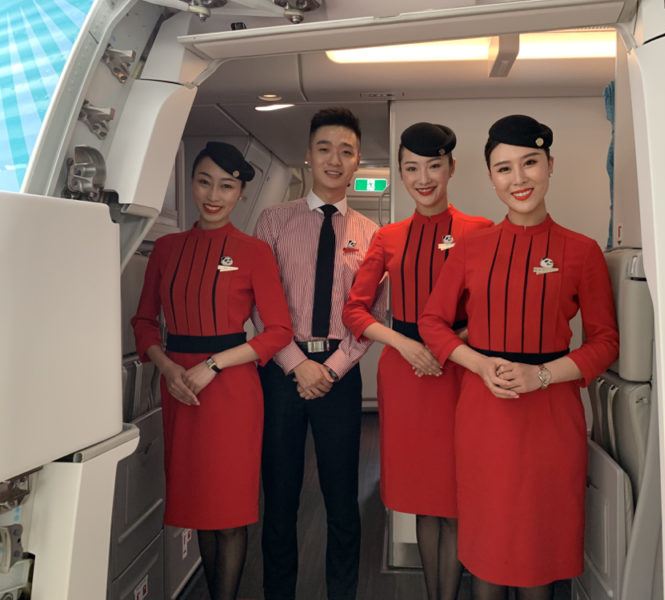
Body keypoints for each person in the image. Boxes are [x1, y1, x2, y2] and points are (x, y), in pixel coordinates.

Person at [419, 115, 619, 600]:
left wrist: (542, 375)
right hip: (483, 413)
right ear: (491, 178)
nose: (519, 179)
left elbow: (605, 343)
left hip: (550, 417)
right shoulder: (471, 248)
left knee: (538, 555)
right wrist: (479, 364)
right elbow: (432, 322)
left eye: (530, 163)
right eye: (504, 168)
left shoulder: (582, 251)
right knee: (487, 554)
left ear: (550, 165)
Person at [131, 142, 293, 600]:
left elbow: (278, 331)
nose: (214, 195)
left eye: (226, 186)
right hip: (180, 389)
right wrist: (166, 366)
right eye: (204, 182)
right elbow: (143, 321)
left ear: (241, 192)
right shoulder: (166, 249)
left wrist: (213, 364)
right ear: (191, 183)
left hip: (232, 391)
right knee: (201, 508)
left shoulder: (254, 251)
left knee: (230, 513)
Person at [343, 122, 492, 600]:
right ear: (400, 173)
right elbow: (355, 311)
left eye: (433, 166)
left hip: (461, 371)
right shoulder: (388, 237)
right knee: (426, 499)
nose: (423, 178)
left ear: (451, 167)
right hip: (406, 375)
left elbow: (493, 310)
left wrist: (448, 345)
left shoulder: (480, 231)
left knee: (459, 495)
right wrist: (406, 346)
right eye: (411, 168)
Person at [252, 107, 385, 600]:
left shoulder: (371, 235)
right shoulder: (273, 221)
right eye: (325, 148)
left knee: (342, 501)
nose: (335, 159)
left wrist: (329, 369)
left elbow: (372, 314)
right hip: (281, 370)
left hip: (339, 375)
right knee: (280, 499)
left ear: (358, 162)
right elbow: (258, 304)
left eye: (346, 151)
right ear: (308, 155)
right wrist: (296, 364)